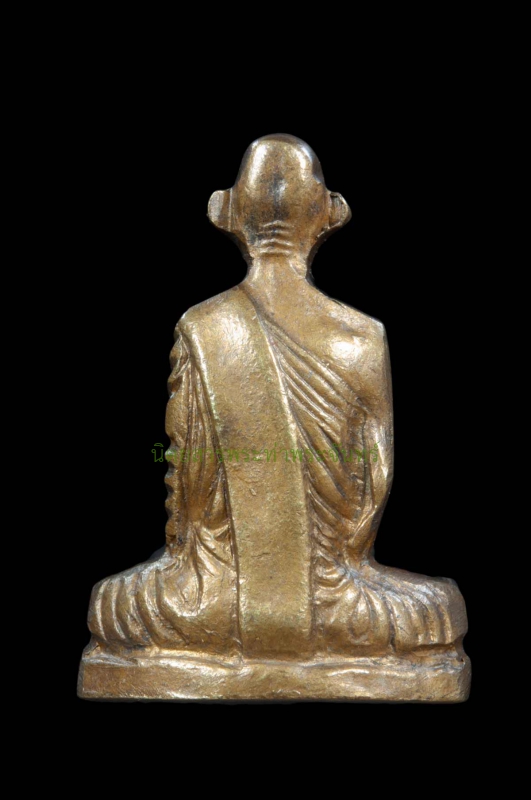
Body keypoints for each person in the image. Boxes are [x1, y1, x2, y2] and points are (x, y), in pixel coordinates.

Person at [85, 134, 467, 660]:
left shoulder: (202, 325)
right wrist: (335, 568)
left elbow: (187, 491)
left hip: (212, 601)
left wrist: (201, 565)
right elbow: (373, 486)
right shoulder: (362, 337)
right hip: (333, 601)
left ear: (226, 211)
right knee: (436, 610)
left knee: (115, 604)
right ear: (330, 213)